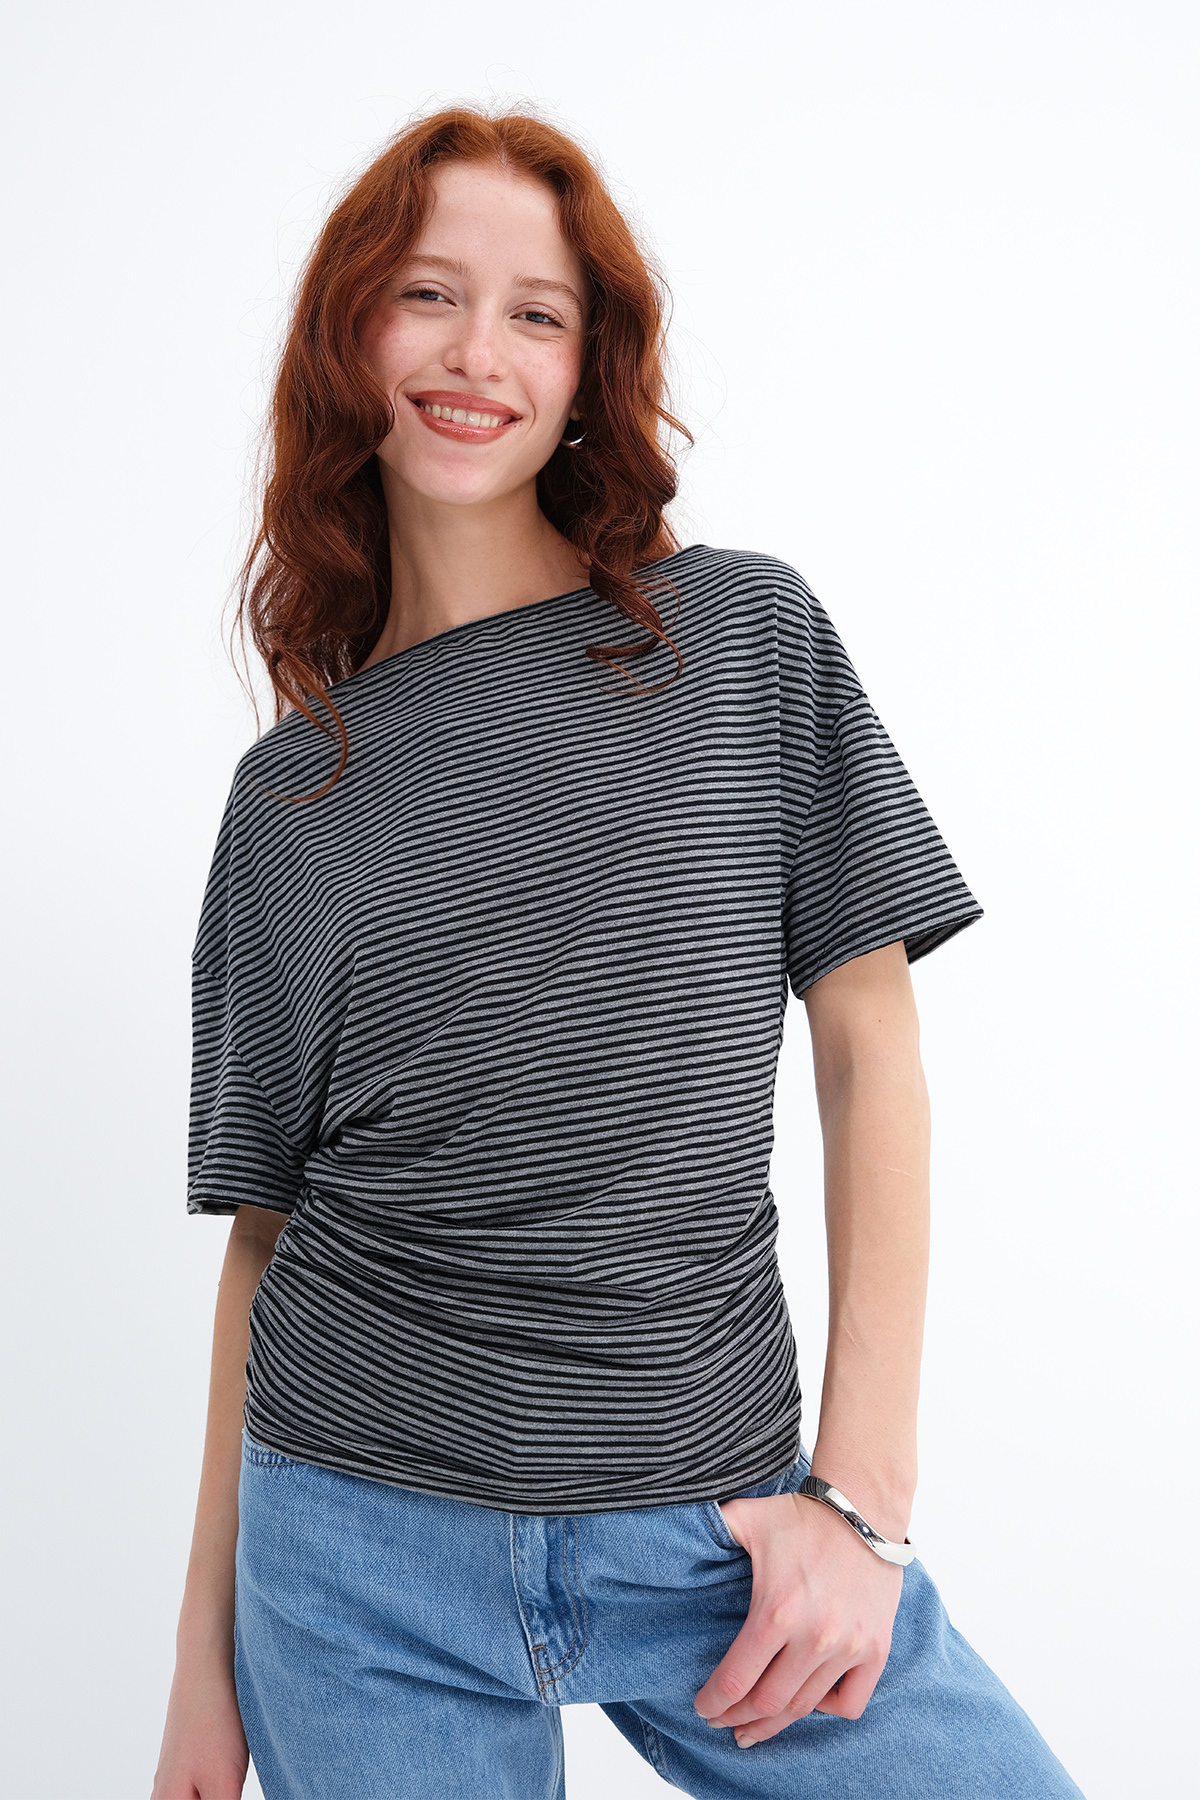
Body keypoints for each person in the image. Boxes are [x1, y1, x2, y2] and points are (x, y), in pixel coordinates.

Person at [152, 107, 1084, 1800]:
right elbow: (263, 1243)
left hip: (715, 1531)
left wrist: (862, 1504)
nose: (476, 353)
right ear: (352, 333)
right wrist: (196, 1674)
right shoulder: (289, 796)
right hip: (355, 1557)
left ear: (589, 373)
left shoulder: (738, 638)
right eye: (428, 294)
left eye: (537, 314)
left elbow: (870, 1044)